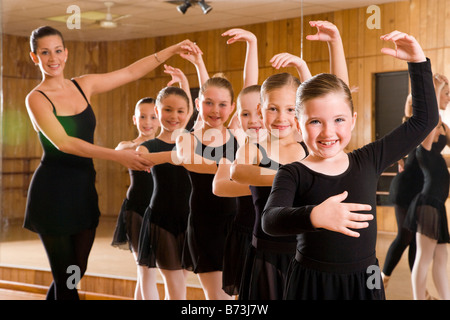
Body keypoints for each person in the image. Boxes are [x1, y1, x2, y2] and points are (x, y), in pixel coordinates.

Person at [23, 25, 197, 300]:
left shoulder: (83, 85)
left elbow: (129, 72)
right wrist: (119, 155)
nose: (52, 58)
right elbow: (64, 143)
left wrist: (172, 49)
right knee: (66, 280)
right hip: (52, 194)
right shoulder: (35, 98)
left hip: (83, 191)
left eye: (57, 51)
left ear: (66, 53)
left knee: (75, 271)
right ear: (35, 57)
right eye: (45, 52)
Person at [262, 30, 438, 300]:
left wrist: (417, 62)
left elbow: (423, 121)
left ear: (353, 120)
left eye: (339, 120)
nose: (328, 132)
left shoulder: (368, 159)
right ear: (298, 125)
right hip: (312, 279)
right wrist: (314, 216)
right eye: (315, 121)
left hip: (365, 276)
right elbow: (270, 220)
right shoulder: (293, 173)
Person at [230, 20, 348, 300]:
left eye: (288, 109)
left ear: (299, 112)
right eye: (272, 109)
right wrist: (290, 178)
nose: (281, 117)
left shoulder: (308, 146)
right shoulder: (254, 147)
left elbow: (336, 96)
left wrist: (333, 43)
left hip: (305, 254)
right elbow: (237, 172)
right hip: (265, 256)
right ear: (261, 110)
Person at [176, 75, 240, 300]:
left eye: (223, 104)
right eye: (209, 102)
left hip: (240, 224)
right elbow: (189, 161)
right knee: (218, 298)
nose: (215, 110)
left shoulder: (238, 135)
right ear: (197, 104)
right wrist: (230, 166)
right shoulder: (187, 139)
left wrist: (251, 43)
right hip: (206, 227)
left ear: (233, 107)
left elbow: (251, 85)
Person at [137, 70, 194, 300]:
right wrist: (172, 156)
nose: (174, 116)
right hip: (161, 219)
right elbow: (140, 158)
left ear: (188, 113)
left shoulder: (193, 140)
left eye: (180, 111)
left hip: (190, 218)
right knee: (175, 285)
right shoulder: (148, 145)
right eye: (168, 110)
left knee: (181, 281)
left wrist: (187, 78)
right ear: (157, 112)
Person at [213, 28, 260, 297]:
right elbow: (219, 186)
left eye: (260, 112)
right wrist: (265, 187)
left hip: (282, 238)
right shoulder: (238, 141)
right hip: (245, 234)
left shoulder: (286, 141)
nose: (253, 119)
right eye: (244, 114)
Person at [404, 74, 450, 300]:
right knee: (424, 257)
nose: (449, 98)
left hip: (438, 205)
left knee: (442, 257)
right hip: (428, 203)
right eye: (447, 93)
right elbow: (431, 121)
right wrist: (437, 87)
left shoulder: (440, 144)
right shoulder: (425, 139)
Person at [111, 97, 160, 300]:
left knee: (146, 273)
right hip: (136, 210)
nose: (147, 122)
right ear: (134, 119)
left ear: (160, 119)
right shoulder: (127, 146)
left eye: (153, 117)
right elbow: (117, 153)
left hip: (159, 210)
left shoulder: (165, 144)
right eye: (142, 116)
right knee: (145, 270)